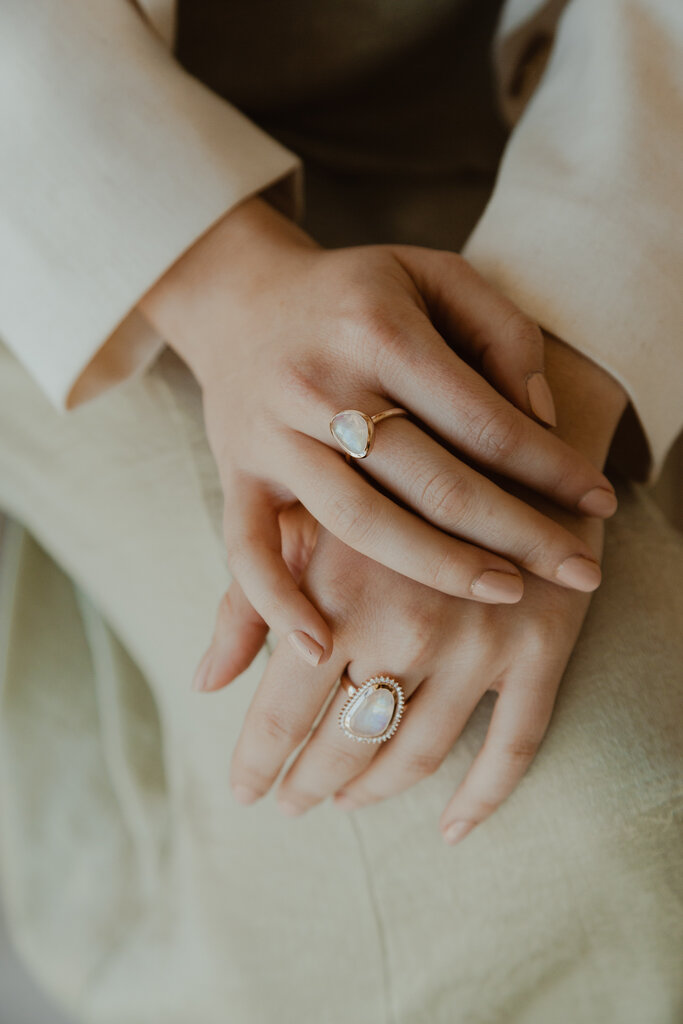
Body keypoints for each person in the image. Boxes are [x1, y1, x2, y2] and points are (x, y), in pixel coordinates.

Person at [0, 1, 681, 1022]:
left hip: (567, 115)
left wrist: (532, 401)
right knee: (577, 795)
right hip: (62, 146)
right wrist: (222, 283)